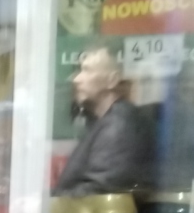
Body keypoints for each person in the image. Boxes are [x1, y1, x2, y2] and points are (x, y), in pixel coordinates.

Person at [55, 42, 152, 196]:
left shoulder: (119, 126)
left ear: (112, 81)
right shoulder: (105, 122)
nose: (76, 79)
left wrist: (49, 203)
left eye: (87, 70)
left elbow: (100, 190)